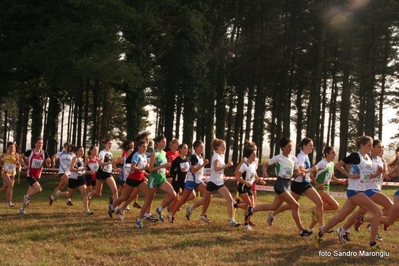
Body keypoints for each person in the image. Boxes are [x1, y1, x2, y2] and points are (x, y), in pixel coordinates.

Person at [314, 135, 384, 252]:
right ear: (362, 146)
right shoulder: (355, 156)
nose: (371, 147)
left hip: (360, 191)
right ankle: (372, 244)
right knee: (378, 212)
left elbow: (366, 176)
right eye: (369, 145)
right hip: (354, 191)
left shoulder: (368, 158)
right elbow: (338, 165)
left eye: (372, 145)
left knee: (340, 217)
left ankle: (320, 234)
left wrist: (377, 173)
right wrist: (350, 175)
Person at [245, 137, 311, 237]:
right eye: (288, 147)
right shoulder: (278, 157)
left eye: (291, 147)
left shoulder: (294, 158)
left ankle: (251, 210)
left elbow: (296, 171)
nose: (290, 149)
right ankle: (302, 231)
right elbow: (265, 165)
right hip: (280, 184)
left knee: (273, 207)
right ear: (283, 147)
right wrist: (264, 173)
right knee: (296, 205)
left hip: (288, 184)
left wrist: (301, 173)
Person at [340, 140, 392, 241]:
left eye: (383, 147)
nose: (382, 149)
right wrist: (351, 176)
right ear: (372, 148)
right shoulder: (368, 159)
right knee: (390, 206)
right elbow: (350, 164)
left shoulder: (382, 161)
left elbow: (386, 176)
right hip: (367, 189)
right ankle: (372, 225)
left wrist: (393, 172)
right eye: (379, 147)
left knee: (360, 212)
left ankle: (344, 229)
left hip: (374, 189)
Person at [269, 138, 324, 233]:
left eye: (312, 145)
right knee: (292, 205)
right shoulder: (301, 156)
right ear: (304, 146)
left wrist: (315, 181)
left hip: (306, 184)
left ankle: (322, 226)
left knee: (319, 203)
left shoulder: (306, 156)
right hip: (298, 184)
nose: (312, 147)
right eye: (310, 145)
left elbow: (306, 172)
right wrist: (312, 169)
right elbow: (300, 169)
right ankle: (273, 213)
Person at [197, 138, 241, 228]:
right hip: (212, 182)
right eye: (222, 146)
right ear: (217, 147)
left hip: (219, 182)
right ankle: (191, 208)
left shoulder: (221, 156)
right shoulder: (216, 156)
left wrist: (223, 175)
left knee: (229, 199)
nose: (224, 148)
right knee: (204, 200)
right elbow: (216, 168)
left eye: (225, 146)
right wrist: (227, 165)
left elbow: (219, 170)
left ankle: (231, 220)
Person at [135, 135, 176, 229]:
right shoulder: (154, 153)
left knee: (173, 194)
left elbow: (161, 166)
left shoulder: (164, 153)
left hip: (162, 179)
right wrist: (162, 167)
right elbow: (151, 169)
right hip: (153, 179)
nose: (164, 144)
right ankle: (139, 221)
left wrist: (165, 170)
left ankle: (159, 210)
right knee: (148, 201)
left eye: (165, 142)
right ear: (157, 143)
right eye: (162, 142)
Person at [306, 146, 346, 232]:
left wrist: (342, 182)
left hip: (326, 190)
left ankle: (309, 229)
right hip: (320, 190)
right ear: (327, 154)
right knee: (335, 206)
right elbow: (311, 174)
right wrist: (317, 184)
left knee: (321, 212)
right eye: (333, 153)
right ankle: (317, 213)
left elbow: (333, 178)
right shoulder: (322, 163)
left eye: (335, 153)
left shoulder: (331, 164)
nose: (335, 155)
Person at [173, 140, 211, 223]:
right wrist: (203, 165)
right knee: (183, 200)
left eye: (203, 147)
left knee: (208, 196)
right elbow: (193, 170)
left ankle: (202, 214)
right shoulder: (194, 157)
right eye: (201, 147)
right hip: (191, 181)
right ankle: (171, 214)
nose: (202, 149)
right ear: (196, 148)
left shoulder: (200, 157)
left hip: (198, 181)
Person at [112, 140, 149, 220]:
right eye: (143, 147)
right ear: (138, 147)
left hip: (140, 180)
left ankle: (146, 214)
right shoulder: (136, 155)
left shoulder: (144, 156)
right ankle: (113, 207)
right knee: (124, 197)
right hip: (132, 179)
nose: (145, 148)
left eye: (146, 147)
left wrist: (146, 173)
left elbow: (142, 169)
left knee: (149, 193)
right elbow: (133, 168)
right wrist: (144, 168)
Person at [56, 146, 93, 216]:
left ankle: (87, 210)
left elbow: (83, 169)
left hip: (81, 178)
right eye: (80, 151)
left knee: (84, 193)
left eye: (83, 151)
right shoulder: (75, 159)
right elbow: (71, 169)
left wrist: (88, 172)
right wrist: (80, 170)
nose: (82, 152)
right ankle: (59, 193)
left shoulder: (82, 159)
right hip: (73, 179)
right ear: (77, 151)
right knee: (69, 195)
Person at [234, 145, 265, 230]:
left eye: (255, 154)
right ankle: (246, 224)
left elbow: (255, 176)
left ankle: (238, 205)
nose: (255, 156)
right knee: (250, 205)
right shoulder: (244, 165)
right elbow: (237, 177)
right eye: (253, 155)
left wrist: (260, 181)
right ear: (249, 155)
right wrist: (245, 182)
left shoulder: (254, 165)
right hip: (243, 186)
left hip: (249, 187)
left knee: (251, 205)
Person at [19, 137, 51, 214]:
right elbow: (19, 157)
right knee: (39, 189)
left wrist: (49, 162)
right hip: (30, 174)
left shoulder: (44, 153)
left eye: (42, 143)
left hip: (38, 175)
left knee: (29, 193)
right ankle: (26, 197)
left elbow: (49, 165)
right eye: (39, 143)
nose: (40, 144)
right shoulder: (30, 152)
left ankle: (22, 209)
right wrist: (24, 165)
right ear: (35, 144)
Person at [89, 139, 120, 215]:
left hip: (108, 174)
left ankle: (115, 208)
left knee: (115, 190)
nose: (110, 145)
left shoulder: (110, 153)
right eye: (109, 143)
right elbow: (100, 163)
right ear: (105, 144)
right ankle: (89, 194)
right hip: (101, 173)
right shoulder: (102, 153)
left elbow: (110, 165)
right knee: (97, 193)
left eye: (111, 143)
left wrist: (116, 169)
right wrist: (111, 162)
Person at [166, 143, 191, 222]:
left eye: (187, 148)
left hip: (185, 181)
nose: (186, 150)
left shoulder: (187, 159)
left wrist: (188, 172)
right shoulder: (177, 160)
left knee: (192, 195)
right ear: (180, 149)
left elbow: (188, 170)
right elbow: (172, 171)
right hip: (177, 181)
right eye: (184, 148)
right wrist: (179, 170)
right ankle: (171, 214)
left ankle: (177, 204)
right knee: (175, 197)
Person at [49, 142, 74, 206]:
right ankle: (68, 199)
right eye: (67, 146)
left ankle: (52, 197)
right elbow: (53, 157)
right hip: (62, 172)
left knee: (60, 187)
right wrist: (53, 163)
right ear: (64, 147)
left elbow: (75, 161)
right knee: (70, 184)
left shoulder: (72, 154)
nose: (69, 148)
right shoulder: (60, 153)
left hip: (69, 173)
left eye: (70, 147)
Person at [0, 142, 21, 207]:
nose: (12, 148)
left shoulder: (16, 155)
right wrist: (1, 166)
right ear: (8, 148)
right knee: (10, 185)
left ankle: (9, 201)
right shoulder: (4, 155)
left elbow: (19, 164)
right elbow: (0, 163)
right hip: (5, 173)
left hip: (12, 173)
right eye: (11, 147)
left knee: (5, 188)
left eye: (13, 147)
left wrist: (19, 168)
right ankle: (9, 202)